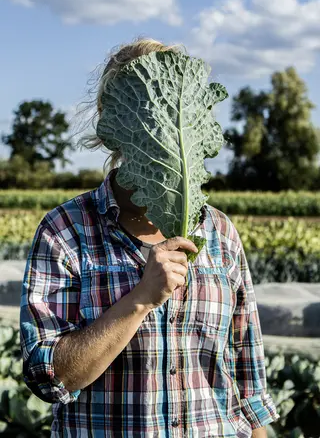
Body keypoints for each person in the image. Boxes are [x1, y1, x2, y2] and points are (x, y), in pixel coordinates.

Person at [20, 38, 279, 437]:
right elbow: (51, 377)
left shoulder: (220, 232)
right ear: (113, 126)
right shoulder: (66, 230)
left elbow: (249, 393)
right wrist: (139, 299)